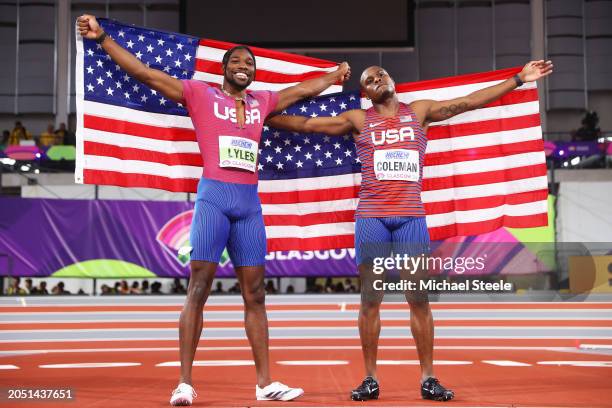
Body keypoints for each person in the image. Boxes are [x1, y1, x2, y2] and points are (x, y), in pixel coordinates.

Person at [77, 14, 350, 406]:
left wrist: (334, 76)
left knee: (255, 294)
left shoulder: (263, 102)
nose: (244, 67)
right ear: (224, 69)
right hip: (214, 200)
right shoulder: (199, 94)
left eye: (250, 64)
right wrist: (103, 39)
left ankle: (265, 384)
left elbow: (301, 90)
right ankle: (184, 383)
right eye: (237, 62)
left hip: (248, 206)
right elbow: (146, 74)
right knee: (199, 289)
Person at [267, 61, 553, 402]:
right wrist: (263, 117)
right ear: (366, 93)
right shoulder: (359, 120)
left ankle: (428, 377)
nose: (376, 80)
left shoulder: (419, 112)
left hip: (410, 218)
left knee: (418, 298)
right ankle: (370, 378)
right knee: (371, 300)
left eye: (380, 75)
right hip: (372, 218)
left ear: (391, 80)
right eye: (369, 81)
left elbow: (470, 101)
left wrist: (519, 79)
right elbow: (306, 124)